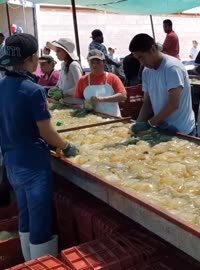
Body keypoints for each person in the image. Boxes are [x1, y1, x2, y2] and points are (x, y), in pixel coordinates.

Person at [0, 33, 78, 262]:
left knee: (25, 214)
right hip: (34, 166)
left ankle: (28, 263)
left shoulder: (2, 86)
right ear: (32, 58)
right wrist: (66, 145)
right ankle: (42, 266)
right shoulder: (32, 90)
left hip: (13, 163)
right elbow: (47, 132)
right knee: (40, 220)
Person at [128, 34, 195, 135]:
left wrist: (149, 124)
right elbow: (147, 103)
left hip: (181, 130)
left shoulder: (172, 68)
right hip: (161, 127)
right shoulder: (147, 72)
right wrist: (137, 124)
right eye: (138, 59)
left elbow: (173, 105)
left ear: (153, 49)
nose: (141, 62)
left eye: (142, 57)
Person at [74, 50, 127, 116]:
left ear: (104, 62)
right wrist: (84, 104)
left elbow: (123, 96)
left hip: (112, 117)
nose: (94, 65)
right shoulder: (83, 80)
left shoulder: (112, 78)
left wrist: (102, 99)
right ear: (88, 62)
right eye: (92, 62)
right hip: (91, 119)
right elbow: (77, 99)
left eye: (98, 62)